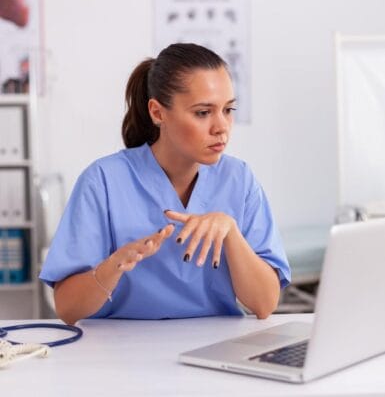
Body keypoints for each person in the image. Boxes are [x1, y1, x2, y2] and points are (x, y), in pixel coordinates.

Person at [39, 43, 291, 325]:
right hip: (119, 352)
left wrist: (230, 232)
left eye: (228, 109)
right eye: (203, 112)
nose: (222, 126)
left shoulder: (239, 179)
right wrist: (115, 265)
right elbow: (67, 308)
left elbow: (264, 304)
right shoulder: (103, 181)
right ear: (158, 113)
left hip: (215, 349)